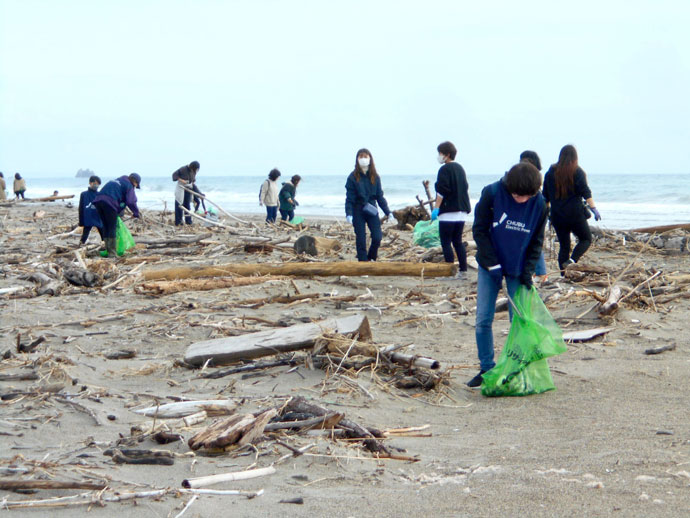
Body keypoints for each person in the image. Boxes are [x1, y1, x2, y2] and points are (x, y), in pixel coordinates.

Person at [468, 161, 548, 387]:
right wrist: (491, 264)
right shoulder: (492, 193)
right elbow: (479, 230)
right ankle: (486, 368)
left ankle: (513, 370)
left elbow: (536, 242)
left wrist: (529, 271)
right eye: (515, 194)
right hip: (489, 266)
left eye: (524, 196)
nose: (519, 199)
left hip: (518, 268)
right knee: (483, 319)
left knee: (518, 322)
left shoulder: (540, 204)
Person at [542, 145, 600, 272]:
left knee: (564, 246)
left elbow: (545, 196)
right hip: (575, 215)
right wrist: (594, 208)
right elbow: (586, 192)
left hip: (557, 216)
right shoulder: (577, 172)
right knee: (586, 239)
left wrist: (546, 214)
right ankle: (572, 261)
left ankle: (563, 274)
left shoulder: (550, 173)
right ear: (575, 157)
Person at [430, 141, 471, 279]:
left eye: (440, 153)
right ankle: (463, 271)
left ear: (447, 155)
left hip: (448, 212)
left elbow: (441, 191)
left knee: (446, 242)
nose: (439, 156)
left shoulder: (444, 169)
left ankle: (449, 271)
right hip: (462, 212)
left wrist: (436, 208)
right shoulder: (460, 168)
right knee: (457, 241)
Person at [345, 148, 392, 262]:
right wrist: (349, 213)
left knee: (377, 237)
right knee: (361, 238)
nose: (363, 159)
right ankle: (363, 263)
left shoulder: (375, 176)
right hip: (358, 209)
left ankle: (371, 258)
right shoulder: (352, 177)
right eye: (361, 157)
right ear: (357, 159)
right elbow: (349, 198)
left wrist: (388, 212)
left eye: (365, 157)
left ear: (370, 159)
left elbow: (380, 196)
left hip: (371, 209)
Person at [92, 173, 141, 257]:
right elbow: (131, 201)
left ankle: (108, 250)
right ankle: (112, 253)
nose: (135, 187)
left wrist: (117, 212)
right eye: (136, 185)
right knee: (112, 227)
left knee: (106, 227)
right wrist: (136, 213)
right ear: (134, 182)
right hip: (109, 203)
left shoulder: (117, 181)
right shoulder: (129, 185)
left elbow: (117, 198)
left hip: (98, 202)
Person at [519, 150, 548, 282]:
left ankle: (541, 273)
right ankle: (540, 273)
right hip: (533, 212)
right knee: (535, 241)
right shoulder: (534, 176)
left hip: (531, 213)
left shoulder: (531, 176)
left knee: (534, 241)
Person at [172, 161, 200, 226]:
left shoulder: (193, 171)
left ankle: (188, 221)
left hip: (188, 188)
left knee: (187, 206)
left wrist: (198, 192)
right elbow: (174, 175)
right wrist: (182, 180)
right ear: (192, 166)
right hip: (181, 187)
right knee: (179, 205)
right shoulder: (183, 169)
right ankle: (178, 222)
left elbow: (192, 181)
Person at [78, 175, 102, 245]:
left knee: (103, 232)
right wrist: (81, 221)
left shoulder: (100, 194)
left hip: (98, 217)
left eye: (98, 184)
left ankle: (106, 245)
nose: (96, 185)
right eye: (95, 183)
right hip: (88, 217)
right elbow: (81, 208)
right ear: (90, 183)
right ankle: (81, 244)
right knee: (85, 233)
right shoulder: (84, 194)